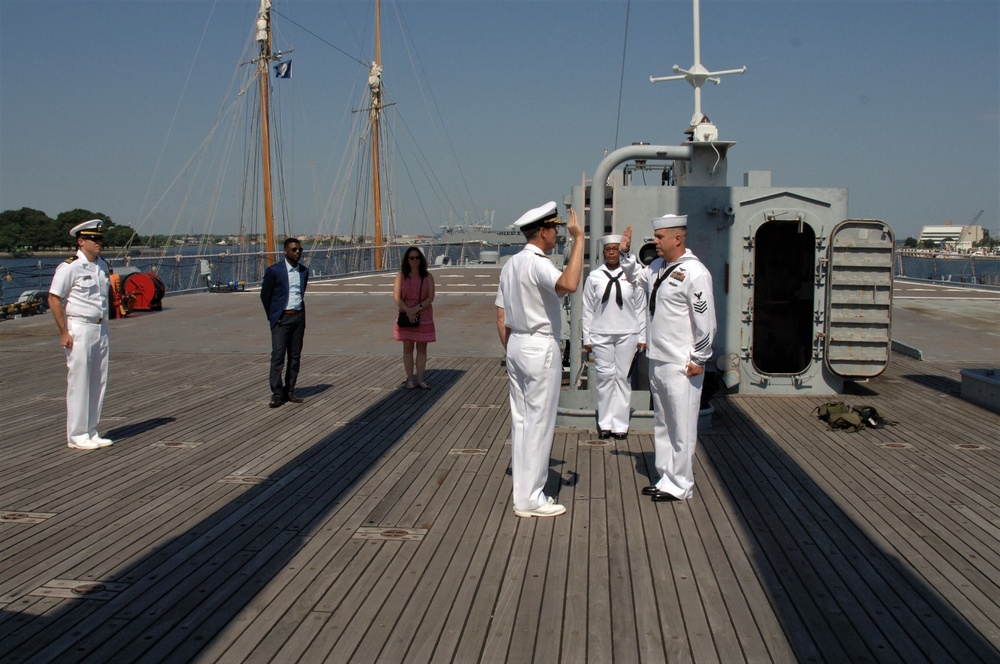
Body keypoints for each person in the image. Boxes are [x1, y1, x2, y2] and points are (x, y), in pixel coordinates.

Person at [495, 201, 584, 518]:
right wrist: (580, 241)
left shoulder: (510, 265)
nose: (558, 235)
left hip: (516, 343)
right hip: (538, 344)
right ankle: (532, 498)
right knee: (539, 423)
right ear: (543, 231)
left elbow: (500, 315)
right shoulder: (537, 262)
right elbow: (569, 284)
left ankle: (523, 494)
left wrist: (512, 350)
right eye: (556, 230)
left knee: (521, 422)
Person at [619, 215, 716, 502]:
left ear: (678, 238)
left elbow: (705, 320)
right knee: (663, 422)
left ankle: (681, 483)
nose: (655, 242)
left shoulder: (695, 273)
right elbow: (637, 278)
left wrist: (700, 357)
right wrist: (625, 253)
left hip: (682, 362)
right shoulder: (658, 267)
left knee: (682, 424)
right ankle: (666, 476)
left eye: (660, 237)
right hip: (658, 358)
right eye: (654, 236)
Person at [48, 219, 113, 449]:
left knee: (98, 380)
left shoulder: (102, 265)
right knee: (79, 381)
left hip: (100, 327)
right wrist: (64, 331)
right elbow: (54, 297)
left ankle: (91, 430)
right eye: (94, 239)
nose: (99, 243)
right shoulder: (70, 266)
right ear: (81, 241)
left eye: (100, 239)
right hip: (80, 327)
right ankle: (76, 434)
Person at [582, 234, 646, 440]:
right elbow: (587, 309)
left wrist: (642, 336)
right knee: (604, 378)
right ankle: (605, 424)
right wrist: (587, 337)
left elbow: (640, 308)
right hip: (601, 333)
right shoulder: (594, 277)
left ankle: (620, 425)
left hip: (628, 333)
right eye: (608, 249)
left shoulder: (634, 275)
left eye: (615, 248)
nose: (612, 252)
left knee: (623, 379)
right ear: (603, 252)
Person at [260, 237, 309, 408]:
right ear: (286, 251)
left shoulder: (304, 271)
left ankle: (290, 390)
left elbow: (301, 292)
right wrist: (273, 316)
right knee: (278, 356)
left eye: (299, 250)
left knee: (295, 356)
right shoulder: (274, 271)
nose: (298, 253)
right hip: (281, 319)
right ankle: (276, 393)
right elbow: (265, 296)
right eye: (294, 250)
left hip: (298, 317)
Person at [393, 246, 436, 389]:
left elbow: (430, 297)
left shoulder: (428, 276)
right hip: (406, 313)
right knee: (407, 348)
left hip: (423, 314)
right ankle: (410, 380)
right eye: (412, 258)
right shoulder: (400, 276)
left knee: (422, 349)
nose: (415, 260)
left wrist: (416, 309)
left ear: (421, 259)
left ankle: (420, 379)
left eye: (417, 257)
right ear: (407, 260)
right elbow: (396, 297)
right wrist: (408, 310)